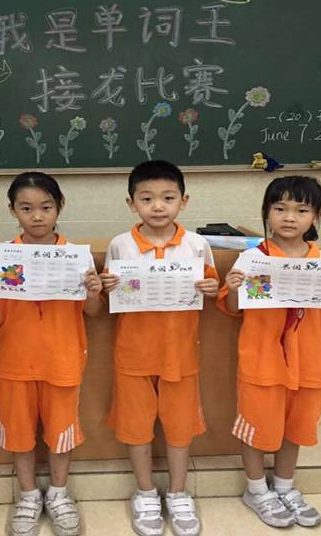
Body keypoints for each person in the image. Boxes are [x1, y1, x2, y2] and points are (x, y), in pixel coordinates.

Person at [217, 175, 321, 528]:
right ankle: (256, 489)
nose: (289, 217)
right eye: (280, 208)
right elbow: (233, 309)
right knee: (257, 427)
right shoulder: (253, 259)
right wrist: (234, 287)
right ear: (267, 213)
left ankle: (285, 486)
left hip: (308, 365)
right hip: (262, 363)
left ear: (316, 217)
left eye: (301, 210)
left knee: (295, 428)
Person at [0, 172, 103, 536]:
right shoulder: (3, 257)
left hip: (63, 360)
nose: (36, 216)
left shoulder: (76, 256)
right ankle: (29, 495)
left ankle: (59, 493)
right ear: (12, 210)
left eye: (46, 207)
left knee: (62, 431)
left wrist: (93, 291)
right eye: (26, 208)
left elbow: (93, 312)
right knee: (19, 433)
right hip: (13, 362)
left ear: (59, 207)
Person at [100, 160, 219, 536]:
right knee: (136, 428)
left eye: (168, 198)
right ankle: (146, 492)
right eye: (146, 198)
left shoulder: (197, 244)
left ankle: (179, 493)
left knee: (180, 428)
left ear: (184, 201)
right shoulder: (120, 244)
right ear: (131, 203)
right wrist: (106, 287)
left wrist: (212, 289)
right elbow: (109, 295)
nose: (157, 206)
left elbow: (212, 286)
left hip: (180, 354)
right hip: (133, 354)